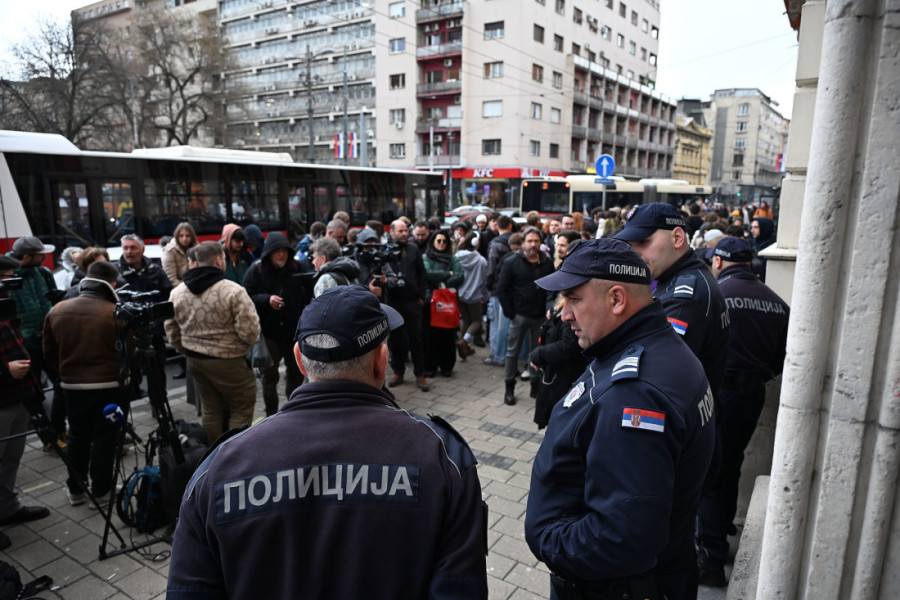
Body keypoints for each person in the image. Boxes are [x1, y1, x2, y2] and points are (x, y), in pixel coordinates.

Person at [167, 285, 488, 600]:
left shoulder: (220, 467)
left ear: (300, 361)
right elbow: (461, 587)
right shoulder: (442, 456)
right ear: (381, 360)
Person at [524, 238, 715, 600]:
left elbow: (622, 538)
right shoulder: (658, 348)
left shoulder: (635, 393)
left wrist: (547, 538)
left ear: (616, 299)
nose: (564, 314)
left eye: (574, 299)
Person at [695, 237, 789, 586]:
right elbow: (784, 358)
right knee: (729, 466)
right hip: (751, 397)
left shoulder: (714, 295)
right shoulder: (777, 303)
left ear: (718, 262)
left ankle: (710, 554)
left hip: (717, 392)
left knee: (708, 471)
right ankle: (716, 534)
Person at [615, 203, 729, 412]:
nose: (635, 253)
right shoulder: (684, 278)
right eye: (631, 245)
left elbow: (655, 372)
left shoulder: (684, 298)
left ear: (677, 238)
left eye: (643, 242)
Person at [43, 261, 130, 509]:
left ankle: (76, 489)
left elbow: (48, 352)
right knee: (104, 438)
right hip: (108, 386)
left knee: (78, 437)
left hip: (72, 387)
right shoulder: (115, 312)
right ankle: (101, 490)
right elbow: (129, 354)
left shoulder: (58, 309)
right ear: (112, 284)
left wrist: (63, 375)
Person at [165, 241, 260, 445]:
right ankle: (233, 455)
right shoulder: (233, 291)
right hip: (230, 360)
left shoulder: (177, 292)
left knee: (211, 408)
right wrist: (243, 347)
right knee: (241, 407)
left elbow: (171, 329)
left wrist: (185, 348)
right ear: (218, 260)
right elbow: (250, 330)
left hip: (195, 360)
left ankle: (212, 457)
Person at [0, 255, 50, 549]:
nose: (10, 282)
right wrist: (5, 370)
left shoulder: (6, 303)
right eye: (5, 276)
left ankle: (7, 507)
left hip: (17, 395)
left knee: (11, 458)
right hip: (2, 396)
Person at [6, 235, 67, 451]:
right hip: (23, 345)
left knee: (62, 385)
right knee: (34, 395)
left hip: (48, 339)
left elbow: (52, 301)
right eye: (39, 254)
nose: (43, 257)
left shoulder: (43, 272)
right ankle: (49, 440)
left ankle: (60, 428)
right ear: (26, 257)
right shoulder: (7, 276)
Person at [243, 232, 311, 416]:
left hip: (293, 331)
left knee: (296, 373)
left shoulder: (298, 266)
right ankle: (271, 415)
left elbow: (311, 286)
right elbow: (246, 295)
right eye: (277, 251)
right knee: (269, 376)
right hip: (269, 333)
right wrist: (267, 299)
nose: (281, 255)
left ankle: (292, 411)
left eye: (284, 251)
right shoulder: (257, 270)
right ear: (269, 253)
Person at [495, 227, 553, 405]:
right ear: (523, 243)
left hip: (540, 316)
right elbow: (501, 289)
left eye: (536, 241)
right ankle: (509, 387)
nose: (533, 244)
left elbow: (551, 288)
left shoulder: (547, 263)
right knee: (512, 352)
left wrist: (549, 309)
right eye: (530, 241)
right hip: (518, 315)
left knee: (536, 352)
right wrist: (510, 313)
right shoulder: (512, 261)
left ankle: (535, 386)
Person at [118, 234, 172, 398]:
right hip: (127, 333)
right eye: (126, 248)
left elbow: (167, 296)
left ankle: (158, 404)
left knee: (157, 371)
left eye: (133, 247)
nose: (129, 252)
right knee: (129, 373)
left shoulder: (155, 270)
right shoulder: (116, 272)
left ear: (142, 249)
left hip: (153, 331)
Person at [528, 293, 587, 430]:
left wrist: (540, 354)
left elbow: (570, 345)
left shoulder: (572, 309)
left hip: (563, 380)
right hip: (555, 377)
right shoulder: (562, 305)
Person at [386, 219, 429, 391]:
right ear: (392, 232)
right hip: (393, 302)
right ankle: (398, 371)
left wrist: (422, 296)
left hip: (413, 302)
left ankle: (420, 373)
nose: (405, 234)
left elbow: (421, 273)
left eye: (406, 231)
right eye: (401, 231)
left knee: (416, 339)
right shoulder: (386, 250)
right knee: (395, 340)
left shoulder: (413, 249)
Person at [422, 231, 463, 377]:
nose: (441, 244)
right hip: (431, 302)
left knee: (447, 336)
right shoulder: (426, 257)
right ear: (433, 242)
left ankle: (447, 366)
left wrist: (441, 280)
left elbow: (459, 276)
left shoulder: (453, 259)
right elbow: (428, 274)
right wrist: (448, 274)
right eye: (438, 241)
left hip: (447, 303)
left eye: (444, 241)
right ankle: (430, 366)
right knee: (430, 336)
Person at [455, 231, 487, 360]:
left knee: (466, 320)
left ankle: (464, 347)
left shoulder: (457, 256)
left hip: (460, 294)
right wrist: (485, 295)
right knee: (477, 321)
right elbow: (484, 280)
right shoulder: (481, 261)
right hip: (475, 296)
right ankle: (464, 341)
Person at [162, 222, 198, 287]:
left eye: (187, 236)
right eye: (181, 236)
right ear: (177, 236)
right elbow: (171, 278)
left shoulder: (197, 249)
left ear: (192, 237)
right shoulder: (170, 251)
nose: (184, 239)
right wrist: (186, 288)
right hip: (178, 289)